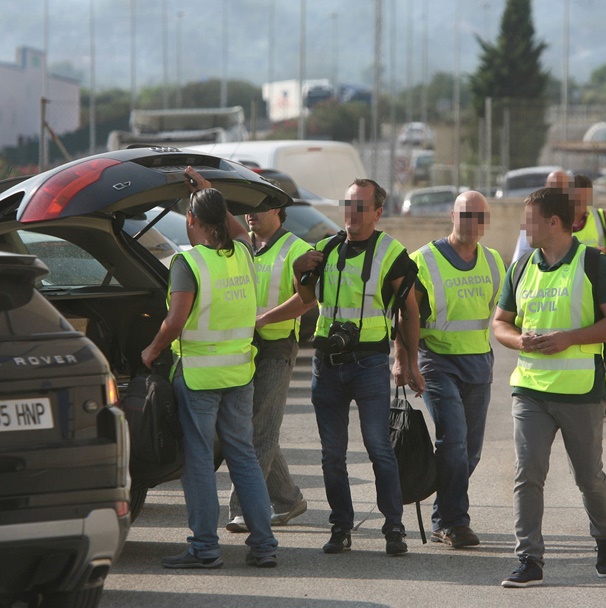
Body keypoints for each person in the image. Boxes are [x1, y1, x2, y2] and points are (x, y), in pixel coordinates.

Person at [492, 187, 606, 588]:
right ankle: (529, 560)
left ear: (554, 222)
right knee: (527, 473)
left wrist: (569, 338)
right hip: (530, 389)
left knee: (588, 477)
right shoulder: (521, 267)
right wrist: (518, 340)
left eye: (531, 219)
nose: (525, 226)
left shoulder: (594, 264)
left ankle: (605, 538)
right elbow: (500, 323)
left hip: (581, 390)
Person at [141, 167, 278, 569]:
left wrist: (151, 349)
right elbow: (234, 230)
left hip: (199, 377)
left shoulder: (189, 263)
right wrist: (210, 192)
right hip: (239, 373)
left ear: (191, 221)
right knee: (244, 458)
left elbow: (175, 321)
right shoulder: (243, 253)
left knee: (199, 463)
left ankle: (204, 548)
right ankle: (264, 546)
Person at [293, 178, 424, 556]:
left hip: (368, 363)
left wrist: (408, 360)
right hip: (327, 365)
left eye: (361, 207)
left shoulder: (391, 253)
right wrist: (300, 268)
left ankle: (393, 528)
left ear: (378, 212)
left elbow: (408, 311)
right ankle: (340, 527)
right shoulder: (325, 249)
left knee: (379, 447)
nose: (352, 213)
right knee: (332, 454)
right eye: (348, 204)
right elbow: (304, 297)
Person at [394, 191, 504, 549]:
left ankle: (443, 514)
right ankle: (455, 521)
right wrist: (403, 360)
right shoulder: (424, 261)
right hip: (436, 361)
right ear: (452, 216)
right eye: (466, 214)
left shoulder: (493, 261)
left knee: (470, 451)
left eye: (480, 217)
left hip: (478, 363)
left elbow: (500, 314)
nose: (473, 223)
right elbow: (405, 314)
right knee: (453, 442)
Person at [225, 206, 314, 534]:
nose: (251, 214)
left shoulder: (298, 249)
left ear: (278, 209)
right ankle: (289, 499)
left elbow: (307, 301)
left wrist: (263, 320)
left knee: (258, 429)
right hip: (243, 346)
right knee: (257, 426)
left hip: (277, 346)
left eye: (259, 207)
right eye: (246, 209)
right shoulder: (245, 246)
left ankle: (243, 509)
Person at [511, 172, 606, 264]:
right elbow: (518, 261)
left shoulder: (601, 217)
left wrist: (602, 252)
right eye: (553, 189)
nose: (558, 194)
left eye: (562, 188)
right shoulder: (538, 222)